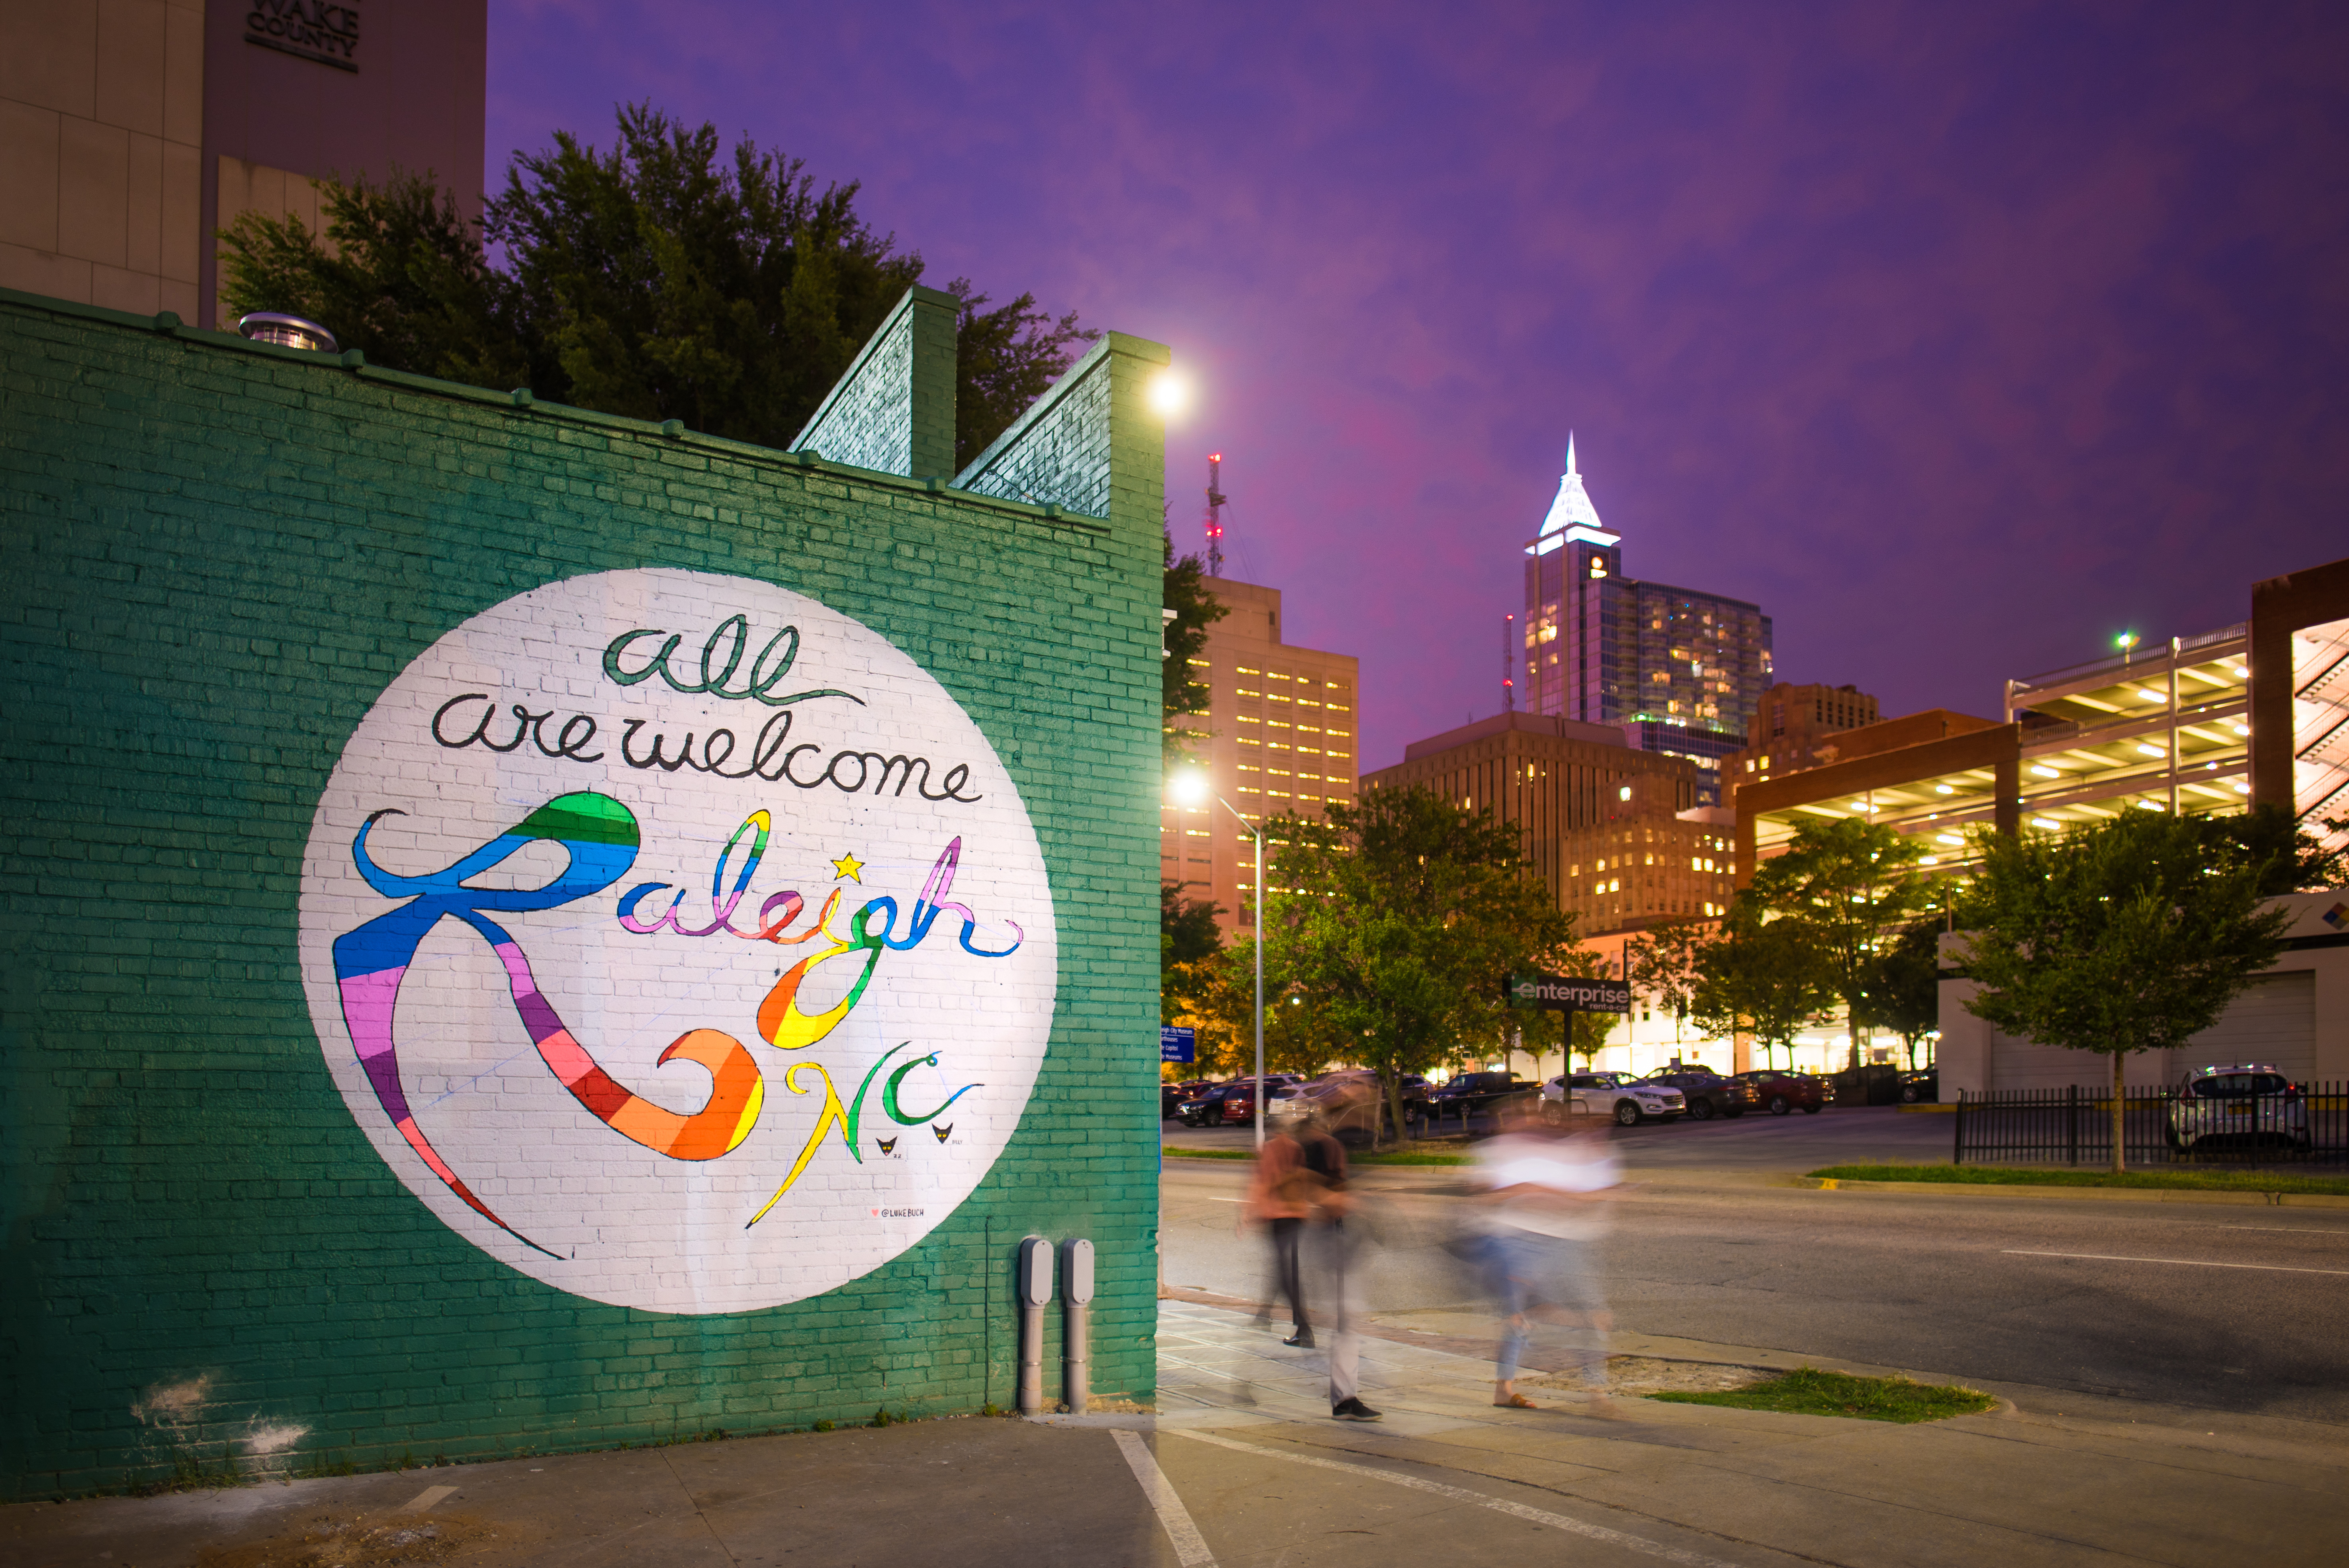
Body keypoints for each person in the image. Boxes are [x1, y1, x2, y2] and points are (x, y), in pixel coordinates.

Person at [1473, 1105, 1621, 1414]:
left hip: (1565, 1241)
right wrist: (1533, 1190)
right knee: (1518, 1318)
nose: (1531, 1121)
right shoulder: (1500, 1149)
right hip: (1516, 1240)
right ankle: (1503, 1389)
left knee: (1595, 1316)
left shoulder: (1576, 1150)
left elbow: (1591, 1193)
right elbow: (1488, 1191)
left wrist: (1549, 1191)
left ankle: (1597, 1394)